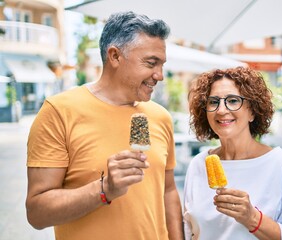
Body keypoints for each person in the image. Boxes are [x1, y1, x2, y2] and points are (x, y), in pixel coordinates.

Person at [26, 11, 184, 240]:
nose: (159, 75)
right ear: (115, 56)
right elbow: (37, 213)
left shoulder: (161, 117)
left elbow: (168, 191)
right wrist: (104, 189)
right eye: (151, 63)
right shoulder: (59, 112)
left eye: (162, 65)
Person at [183, 67, 282, 239]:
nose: (221, 110)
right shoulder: (198, 164)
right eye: (213, 102)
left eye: (233, 101)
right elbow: (189, 230)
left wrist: (252, 218)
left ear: (252, 111)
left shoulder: (280, 163)